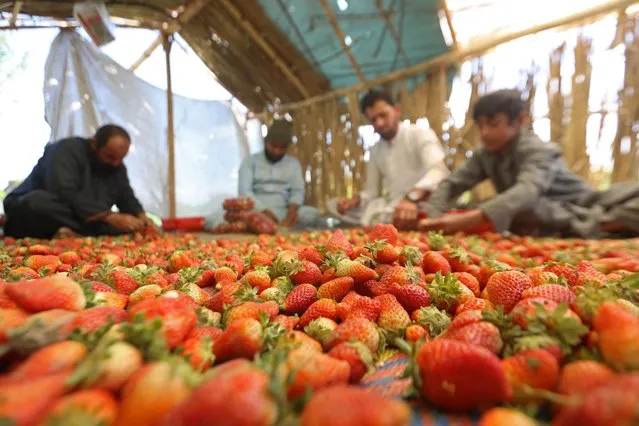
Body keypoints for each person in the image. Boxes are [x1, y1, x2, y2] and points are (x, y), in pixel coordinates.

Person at [421, 89, 639, 238]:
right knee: (511, 210)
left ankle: (598, 223)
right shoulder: (484, 154)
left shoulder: (537, 149)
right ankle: (595, 226)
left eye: (493, 124)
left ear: (521, 120)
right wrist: (434, 217)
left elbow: (528, 190)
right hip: (540, 214)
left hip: (582, 204)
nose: (485, 133)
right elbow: (453, 183)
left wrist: (475, 218)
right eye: (481, 126)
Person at [3, 124, 155, 239]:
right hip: (42, 209)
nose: (116, 163)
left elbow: (126, 196)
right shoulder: (67, 149)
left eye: (121, 158)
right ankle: (86, 229)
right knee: (35, 202)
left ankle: (71, 230)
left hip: (84, 217)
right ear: (94, 144)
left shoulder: (116, 165)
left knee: (121, 223)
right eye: (110, 157)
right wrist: (108, 217)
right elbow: (62, 190)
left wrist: (141, 217)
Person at [327, 89, 450, 229]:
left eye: (383, 115)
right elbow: (372, 192)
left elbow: (439, 171)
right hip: (394, 207)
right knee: (333, 205)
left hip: (422, 203)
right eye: (373, 119)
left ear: (396, 110)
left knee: (385, 216)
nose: (379, 123)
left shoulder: (419, 133)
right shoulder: (375, 150)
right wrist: (353, 201)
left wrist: (411, 198)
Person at [236, 120, 320, 228]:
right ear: (266, 142)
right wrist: (264, 211)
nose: (277, 151)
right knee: (237, 217)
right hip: (257, 211)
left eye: (282, 147)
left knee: (311, 214)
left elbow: (297, 191)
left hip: (283, 212)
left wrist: (292, 211)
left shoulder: (293, 164)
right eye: (274, 146)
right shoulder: (250, 161)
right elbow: (244, 192)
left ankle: (275, 226)